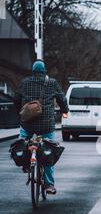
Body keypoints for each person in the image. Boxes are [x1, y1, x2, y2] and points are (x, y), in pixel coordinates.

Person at [14, 60, 69, 195]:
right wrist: (65, 110)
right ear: (44, 71)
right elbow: (62, 99)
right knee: (48, 151)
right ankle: (49, 184)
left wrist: (19, 113)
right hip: (46, 125)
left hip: (27, 123)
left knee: (22, 141)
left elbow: (16, 99)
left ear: (33, 71)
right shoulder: (52, 83)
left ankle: (26, 163)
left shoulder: (25, 82)